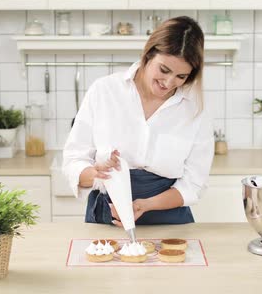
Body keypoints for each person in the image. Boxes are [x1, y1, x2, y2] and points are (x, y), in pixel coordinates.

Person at [62, 16, 214, 227]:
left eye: (181, 76)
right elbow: (73, 161)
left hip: (169, 222)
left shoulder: (195, 109)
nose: (169, 83)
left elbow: (194, 183)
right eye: (164, 70)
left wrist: (144, 205)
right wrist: (97, 174)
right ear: (148, 54)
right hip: (108, 220)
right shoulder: (105, 91)